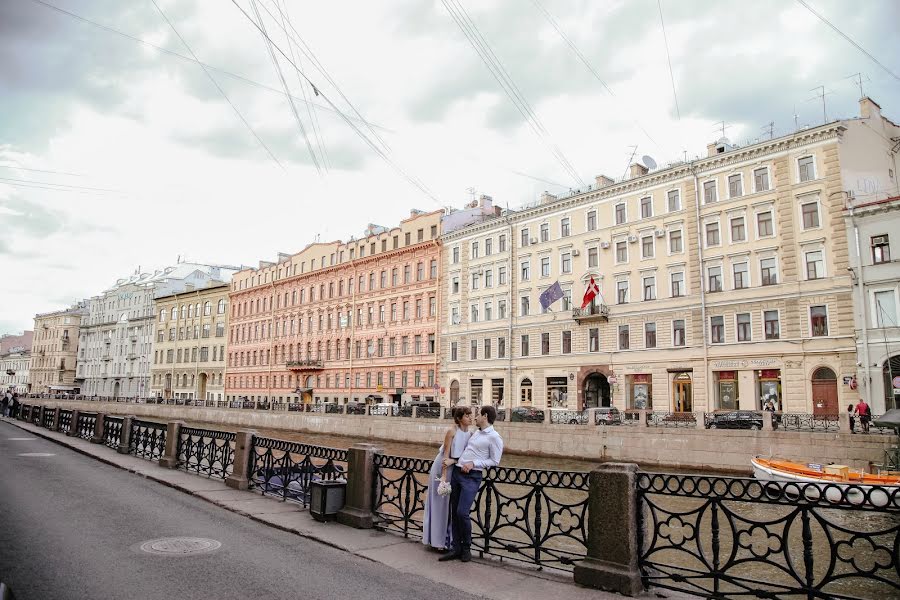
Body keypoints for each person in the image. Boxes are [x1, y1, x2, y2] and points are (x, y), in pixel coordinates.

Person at [439, 405, 504, 563]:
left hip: (472, 476)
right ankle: (456, 548)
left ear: (485, 417)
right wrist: (454, 461)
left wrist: (474, 463)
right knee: (455, 512)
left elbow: (495, 461)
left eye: (478, 415)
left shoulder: (495, 437)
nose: (475, 418)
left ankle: (466, 548)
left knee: (462, 512)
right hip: (457, 473)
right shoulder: (475, 433)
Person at [422, 406, 472, 550]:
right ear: (459, 418)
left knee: (451, 506)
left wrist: (455, 462)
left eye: (470, 415)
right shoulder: (452, 431)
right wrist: (443, 478)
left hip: (455, 468)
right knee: (440, 504)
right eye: (467, 415)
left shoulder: (470, 434)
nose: (470, 417)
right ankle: (437, 542)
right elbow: (445, 456)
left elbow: (464, 456)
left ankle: (449, 541)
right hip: (442, 468)